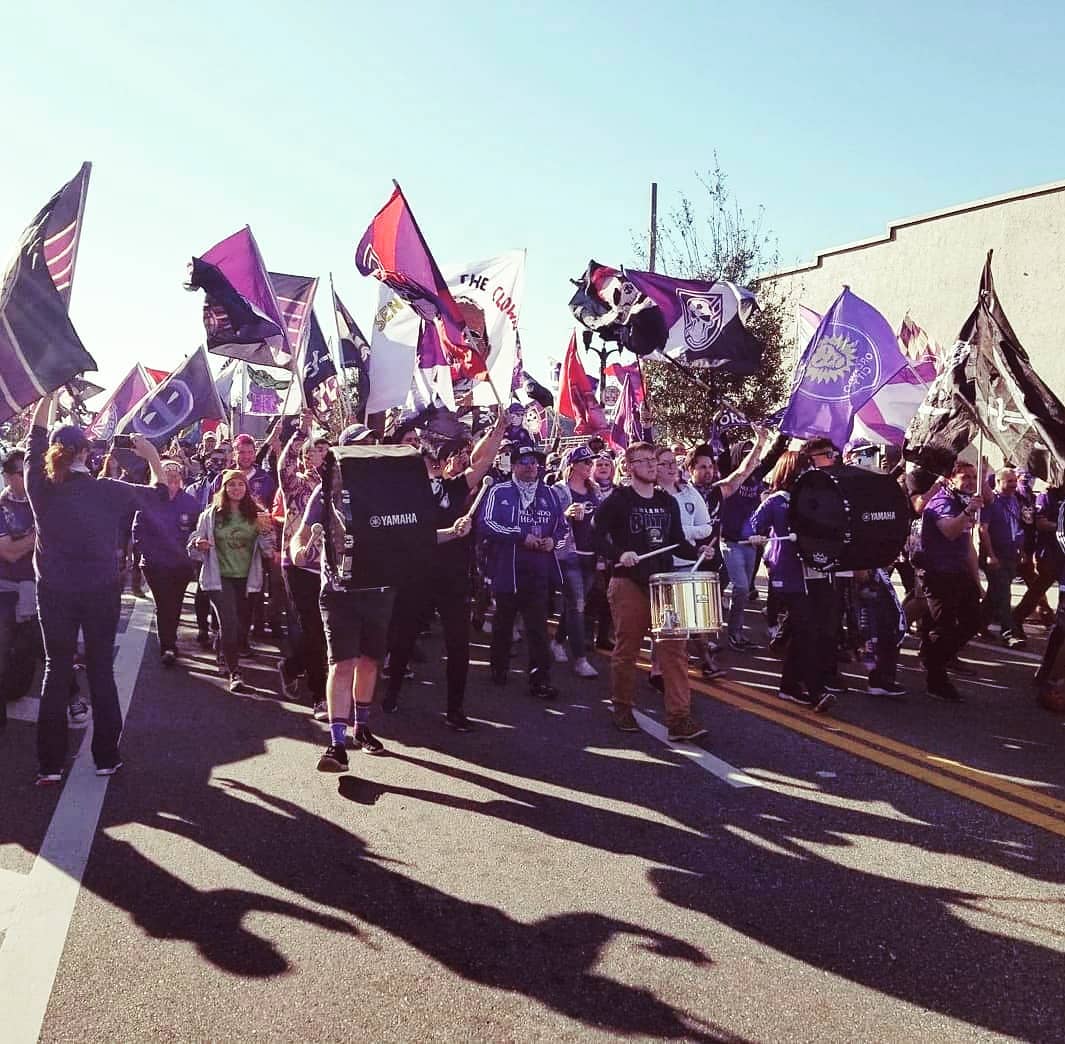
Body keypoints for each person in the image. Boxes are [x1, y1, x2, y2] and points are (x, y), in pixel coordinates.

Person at [290, 423, 471, 773]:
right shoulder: (326, 492)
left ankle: (362, 728)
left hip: (379, 591)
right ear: (344, 452)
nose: (368, 450)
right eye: (360, 445)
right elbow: (301, 535)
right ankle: (336, 744)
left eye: (372, 444)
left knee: (370, 662)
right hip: (339, 592)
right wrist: (299, 551)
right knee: (342, 663)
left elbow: (415, 537)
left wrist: (452, 532)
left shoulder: (392, 493)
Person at [27, 394, 167, 784]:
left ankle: (50, 765)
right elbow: (160, 494)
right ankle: (106, 757)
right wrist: (153, 457)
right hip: (101, 589)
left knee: (56, 669)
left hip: (53, 589)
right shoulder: (108, 489)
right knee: (101, 668)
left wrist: (48, 396)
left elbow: (34, 439)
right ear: (87, 453)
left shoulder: (40, 486)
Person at [383, 411, 507, 728]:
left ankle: (455, 710)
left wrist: (498, 430)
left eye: (439, 460)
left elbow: (481, 462)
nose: (437, 465)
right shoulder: (406, 494)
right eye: (432, 460)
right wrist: (451, 532)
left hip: (453, 578)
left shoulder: (453, 488)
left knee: (458, 644)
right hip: (416, 576)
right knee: (403, 639)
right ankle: (391, 694)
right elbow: (412, 535)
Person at [593, 441, 707, 741]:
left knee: (675, 651)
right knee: (628, 650)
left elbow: (676, 541)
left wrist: (698, 551)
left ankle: (679, 718)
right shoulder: (619, 500)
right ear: (629, 467)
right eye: (643, 461)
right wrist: (619, 554)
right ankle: (622, 707)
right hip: (628, 582)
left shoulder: (667, 501)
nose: (651, 465)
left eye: (653, 460)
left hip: (664, 583)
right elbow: (596, 535)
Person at [744, 450, 835, 709]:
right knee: (807, 631)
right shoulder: (776, 501)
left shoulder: (815, 499)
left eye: (808, 467)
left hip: (815, 571)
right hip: (789, 574)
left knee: (806, 629)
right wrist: (754, 536)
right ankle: (816, 691)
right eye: (801, 467)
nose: (806, 472)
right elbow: (750, 526)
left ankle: (789, 686)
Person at [480, 438, 566, 700]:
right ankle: (499, 669)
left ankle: (540, 680)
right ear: (514, 465)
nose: (530, 467)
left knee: (538, 629)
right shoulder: (499, 491)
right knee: (503, 624)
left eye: (535, 463)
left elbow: (562, 528)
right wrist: (520, 536)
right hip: (507, 571)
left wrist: (553, 541)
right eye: (524, 462)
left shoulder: (550, 494)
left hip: (538, 573)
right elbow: (487, 524)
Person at [191, 470, 274, 693]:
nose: (236, 489)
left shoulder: (257, 514)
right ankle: (235, 672)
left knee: (240, 627)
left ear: (246, 488)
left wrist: (267, 533)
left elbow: (268, 550)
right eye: (231, 485)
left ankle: (222, 649)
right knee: (228, 623)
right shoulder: (211, 515)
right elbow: (194, 543)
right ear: (224, 489)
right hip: (219, 578)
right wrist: (199, 544)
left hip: (247, 579)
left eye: (240, 485)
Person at [276, 414, 330, 717]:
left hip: (330, 566)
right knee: (312, 628)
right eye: (314, 450)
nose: (319, 454)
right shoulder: (296, 484)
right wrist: (301, 432)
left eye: (324, 450)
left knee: (325, 630)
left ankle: (292, 666)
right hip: (298, 563)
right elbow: (284, 464)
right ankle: (319, 696)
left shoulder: (336, 485)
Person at [919, 459, 984, 702]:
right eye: (964, 477)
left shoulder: (963, 502)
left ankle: (934, 658)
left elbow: (968, 546)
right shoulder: (942, 502)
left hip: (959, 573)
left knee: (973, 621)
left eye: (973, 477)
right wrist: (967, 512)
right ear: (950, 479)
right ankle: (936, 680)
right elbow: (949, 531)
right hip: (938, 573)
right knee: (943, 626)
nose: (970, 481)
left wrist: (977, 581)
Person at [704, 428, 774, 650]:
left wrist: (768, 440)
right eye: (745, 454)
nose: (750, 458)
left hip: (749, 544)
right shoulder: (727, 480)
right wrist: (720, 428)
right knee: (741, 587)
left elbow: (767, 460)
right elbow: (736, 465)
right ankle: (716, 634)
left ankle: (733, 632)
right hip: (728, 542)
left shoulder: (757, 478)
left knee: (725, 586)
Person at [132, 459, 200, 665]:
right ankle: (168, 646)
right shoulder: (148, 500)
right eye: (167, 475)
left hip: (181, 564)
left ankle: (169, 637)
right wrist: (149, 554)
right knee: (164, 603)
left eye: (175, 475)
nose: (172, 479)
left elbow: (198, 530)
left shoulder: (190, 502)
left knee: (175, 603)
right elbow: (138, 531)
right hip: (155, 564)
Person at [550, 445, 602, 679]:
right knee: (578, 604)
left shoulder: (595, 490)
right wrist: (565, 515)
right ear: (572, 466)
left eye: (591, 462)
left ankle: (557, 641)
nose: (589, 466)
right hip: (568, 554)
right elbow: (547, 519)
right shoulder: (559, 491)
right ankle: (580, 659)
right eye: (585, 462)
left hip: (590, 554)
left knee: (575, 605)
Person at [0, 450, 35, 732]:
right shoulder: (1, 506)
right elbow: (9, 554)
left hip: (40, 590)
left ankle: (72, 695)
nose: (28, 477)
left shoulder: (43, 500)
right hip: (6, 590)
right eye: (22, 473)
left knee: (33, 650)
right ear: (9, 477)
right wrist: (39, 536)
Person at [979, 467, 1026, 648]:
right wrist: (991, 555)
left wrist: (1021, 550)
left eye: (1015, 481)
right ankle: (1009, 633)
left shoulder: (1014, 500)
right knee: (1004, 594)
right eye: (1009, 481)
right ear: (998, 482)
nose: (1014, 485)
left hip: (1011, 554)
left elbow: (1016, 526)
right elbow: (983, 529)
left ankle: (977, 623)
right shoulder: (991, 501)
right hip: (995, 556)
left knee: (995, 594)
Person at [185, 445, 227, 646]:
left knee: (222, 589)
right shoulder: (195, 488)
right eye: (214, 460)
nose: (218, 464)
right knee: (202, 588)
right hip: (202, 541)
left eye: (222, 461)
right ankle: (202, 627)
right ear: (206, 461)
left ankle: (218, 628)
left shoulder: (230, 484)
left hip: (224, 544)